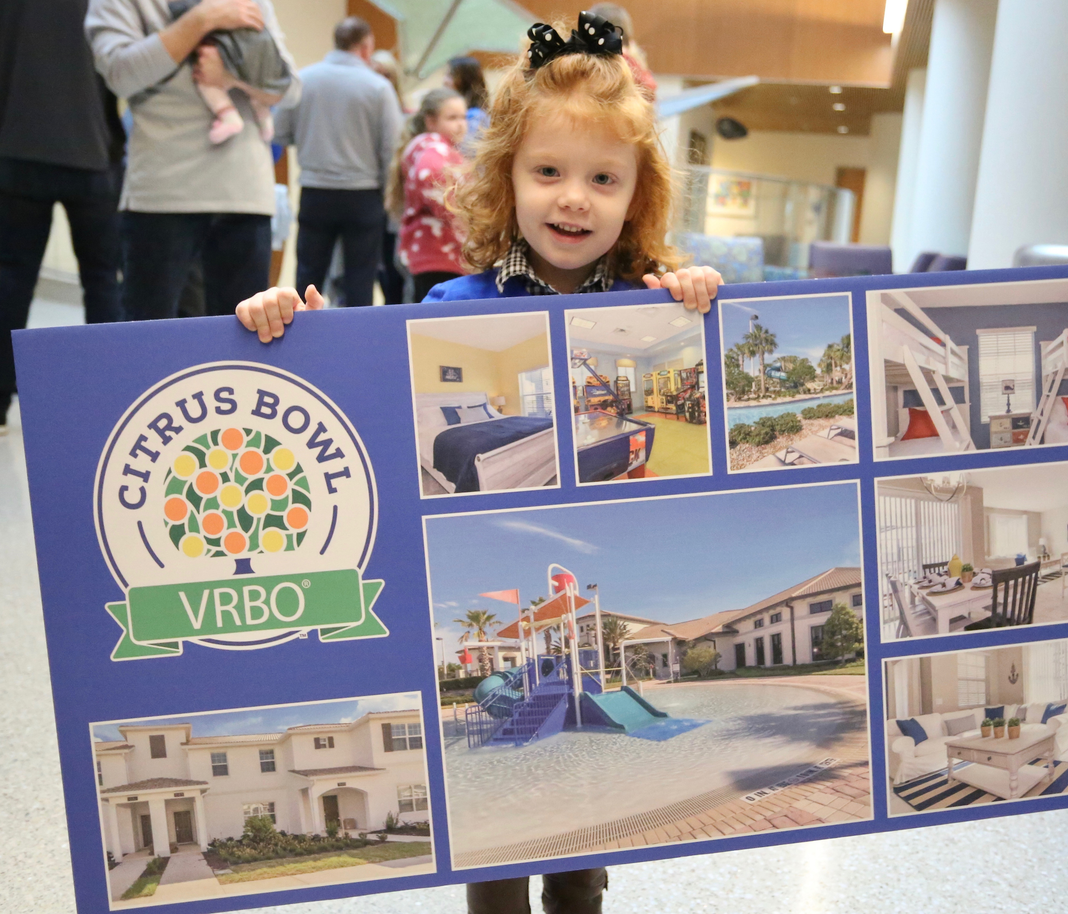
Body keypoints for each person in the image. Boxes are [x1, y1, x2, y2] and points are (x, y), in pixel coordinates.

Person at [234, 14, 721, 909]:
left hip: (594, 547)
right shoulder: (446, 302)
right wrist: (287, 333)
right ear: (505, 177)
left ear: (636, 194)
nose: (574, 198)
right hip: (470, 571)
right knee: (490, 849)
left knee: (582, 841)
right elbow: (342, 412)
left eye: (603, 179)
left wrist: (695, 294)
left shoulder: (656, 304)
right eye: (549, 172)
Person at [85, 0, 301, 323]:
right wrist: (202, 18)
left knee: (248, 349)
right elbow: (120, 73)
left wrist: (230, 76)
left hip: (244, 195)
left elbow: (291, 88)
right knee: (150, 345)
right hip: (162, 196)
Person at [0, 0, 127, 435]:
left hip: (17, 153)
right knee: (101, 283)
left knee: (12, 282)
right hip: (91, 154)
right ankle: (114, 400)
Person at [273, 16, 401, 309]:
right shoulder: (378, 87)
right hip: (363, 195)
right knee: (360, 279)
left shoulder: (304, 79)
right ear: (366, 46)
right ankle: (357, 346)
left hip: (316, 191)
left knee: (308, 276)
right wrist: (385, 194)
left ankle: (301, 345)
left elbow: (279, 132)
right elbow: (391, 148)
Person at [167, 0, 294, 144]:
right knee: (259, 78)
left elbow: (293, 92)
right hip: (255, 50)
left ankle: (228, 115)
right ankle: (264, 117)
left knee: (206, 79)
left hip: (229, 49)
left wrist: (232, 78)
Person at [392, 87, 469, 302]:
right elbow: (434, 181)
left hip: (439, 255)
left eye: (463, 116)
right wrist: (469, 219)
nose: (461, 124)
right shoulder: (432, 148)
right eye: (452, 118)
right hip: (436, 255)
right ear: (431, 121)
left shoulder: (439, 149)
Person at [371, 48, 408, 304]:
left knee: (396, 271)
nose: (381, 80)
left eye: (386, 74)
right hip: (371, 199)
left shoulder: (407, 116)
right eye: (376, 74)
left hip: (398, 204)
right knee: (378, 269)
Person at [445, 55, 489, 156]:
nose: (445, 80)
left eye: (450, 76)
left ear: (464, 81)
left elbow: (465, 152)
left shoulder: (475, 116)